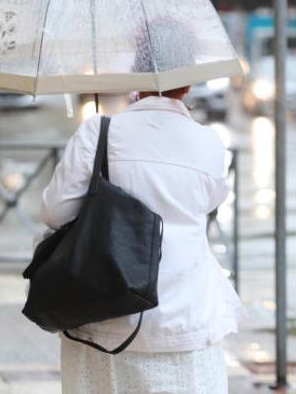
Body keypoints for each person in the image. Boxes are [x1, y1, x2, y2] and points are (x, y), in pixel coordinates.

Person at [41, 85, 244, 393]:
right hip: (186, 316)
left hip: (104, 314)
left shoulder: (100, 132)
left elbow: (55, 212)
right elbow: (210, 202)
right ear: (187, 85)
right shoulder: (208, 141)